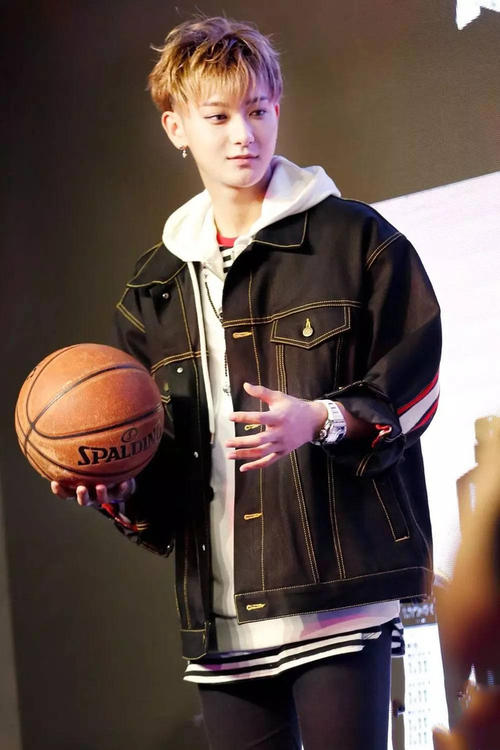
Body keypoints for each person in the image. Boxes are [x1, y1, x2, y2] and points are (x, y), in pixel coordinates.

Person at [53, 16, 441, 749]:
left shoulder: (356, 239)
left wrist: (320, 419)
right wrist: (115, 486)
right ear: (176, 127)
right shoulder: (153, 287)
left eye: (258, 110)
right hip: (221, 619)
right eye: (219, 116)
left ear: (277, 109)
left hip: (337, 603)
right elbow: (162, 469)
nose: (244, 134)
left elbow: (416, 388)